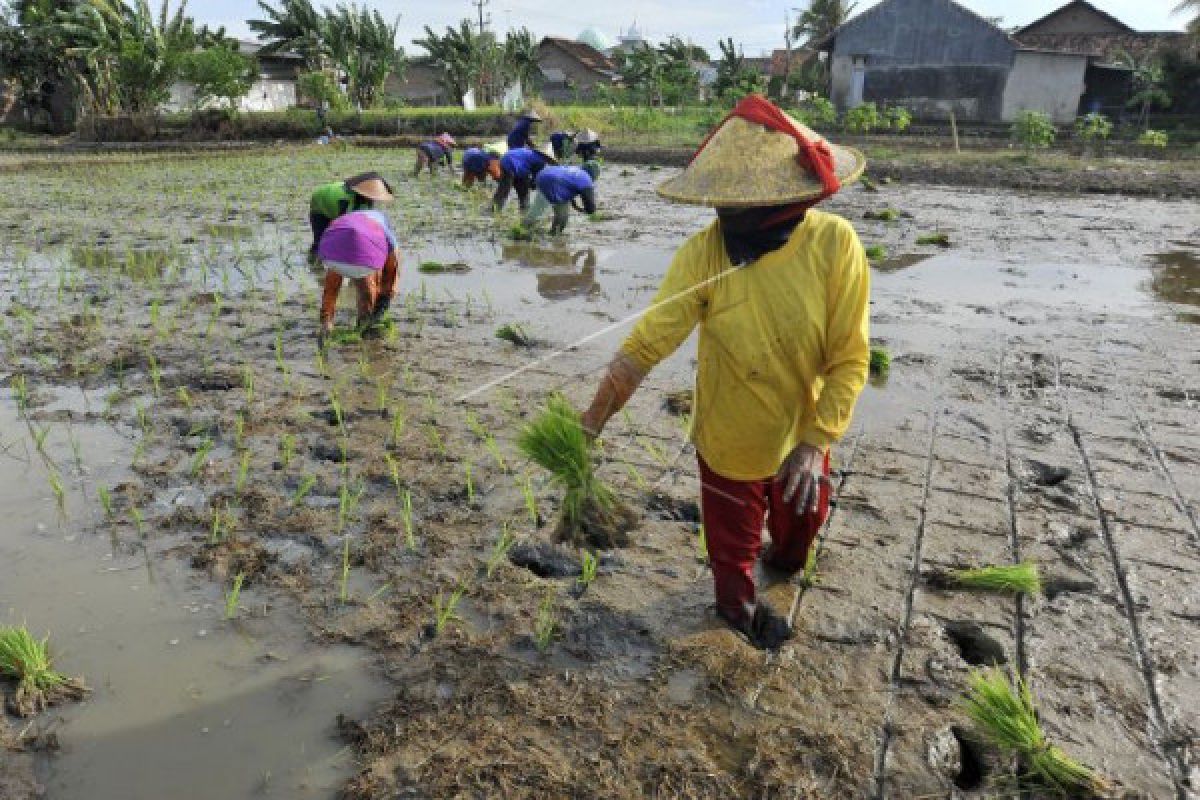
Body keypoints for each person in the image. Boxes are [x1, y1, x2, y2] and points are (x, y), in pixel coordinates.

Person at [578, 95, 870, 650]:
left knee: (796, 540)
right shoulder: (704, 255)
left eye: (751, 217)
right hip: (728, 440)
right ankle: (738, 618)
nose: (734, 229)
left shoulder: (835, 246)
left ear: (791, 204)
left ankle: (782, 563)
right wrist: (590, 422)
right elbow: (644, 348)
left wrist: (815, 442)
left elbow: (851, 357)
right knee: (732, 579)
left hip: (802, 434)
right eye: (725, 210)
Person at [316, 210, 400, 346]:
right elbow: (330, 290)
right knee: (335, 285)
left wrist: (384, 296)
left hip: (367, 240)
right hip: (343, 238)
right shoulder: (336, 237)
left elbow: (391, 273)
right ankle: (329, 323)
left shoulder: (385, 239)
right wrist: (326, 320)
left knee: (371, 289)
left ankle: (366, 323)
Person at [308, 172, 394, 258]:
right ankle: (314, 262)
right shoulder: (345, 200)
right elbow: (342, 225)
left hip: (334, 200)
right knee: (320, 242)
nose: (374, 199)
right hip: (320, 204)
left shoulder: (367, 200)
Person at [522, 161, 599, 235]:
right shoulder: (587, 179)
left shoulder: (574, 169)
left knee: (537, 210)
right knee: (562, 218)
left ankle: (521, 229)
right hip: (556, 184)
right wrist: (589, 211)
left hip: (542, 175)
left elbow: (567, 185)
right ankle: (553, 236)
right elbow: (590, 207)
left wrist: (575, 205)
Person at [493, 144, 556, 213]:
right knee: (517, 192)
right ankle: (523, 210)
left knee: (504, 189)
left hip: (505, 161)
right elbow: (536, 178)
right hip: (512, 164)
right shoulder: (541, 161)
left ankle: (495, 208)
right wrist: (533, 185)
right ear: (548, 158)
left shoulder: (531, 152)